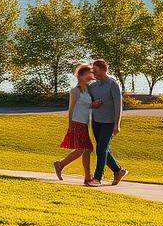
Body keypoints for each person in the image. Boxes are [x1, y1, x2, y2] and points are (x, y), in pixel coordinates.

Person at [54, 64, 97, 185]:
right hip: (77, 122)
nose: (91, 75)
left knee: (86, 149)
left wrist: (94, 104)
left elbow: (88, 105)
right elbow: (71, 108)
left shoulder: (89, 90)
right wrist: (70, 125)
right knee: (85, 149)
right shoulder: (75, 90)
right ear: (81, 75)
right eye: (89, 73)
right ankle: (63, 165)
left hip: (85, 123)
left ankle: (62, 165)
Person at [88, 58, 127, 186]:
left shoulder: (113, 84)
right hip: (96, 121)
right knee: (102, 149)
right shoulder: (93, 86)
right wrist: (92, 104)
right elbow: (87, 103)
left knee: (101, 149)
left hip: (109, 123)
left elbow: (118, 106)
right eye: (93, 71)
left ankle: (98, 178)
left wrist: (117, 124)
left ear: (104, 70)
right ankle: (118, 171)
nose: (94, 74)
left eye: (97, 71)